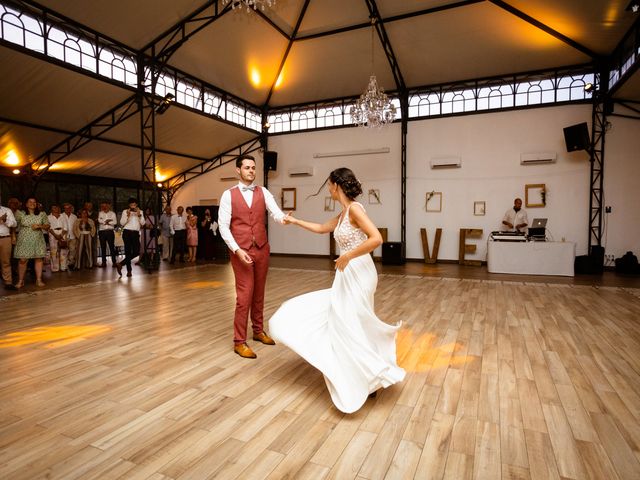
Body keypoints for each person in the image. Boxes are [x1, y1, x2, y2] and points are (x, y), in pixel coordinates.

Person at [270, 167, 406, 413]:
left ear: (336, 185)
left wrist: (348, 257)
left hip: (359, 271)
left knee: (350, 321)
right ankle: (365, 375)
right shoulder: (344, 213)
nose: (328, 189)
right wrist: (294, 220)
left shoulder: (355, 209)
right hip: (347, 272)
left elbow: (376, 238)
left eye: (329, 184)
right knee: (349, 321)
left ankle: (369, 375)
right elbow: (322, 228)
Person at [218, 154, 287, 359]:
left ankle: (258, 331)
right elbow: (223, 226)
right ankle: (239, 342)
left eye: (253, 168)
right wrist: (237, 250)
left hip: (262, 248)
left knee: (259, 293)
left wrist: (285, 219)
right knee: (244, 296)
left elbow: (276, 213)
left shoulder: (263, 192)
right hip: (241, 251)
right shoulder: (228, 195)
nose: (251, 171)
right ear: (238, 170)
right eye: (247, 167)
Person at [13, 196, 50, 288]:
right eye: (30, 202)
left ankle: (39, 280)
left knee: (38, 259)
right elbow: (13, 225)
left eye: (34, 202)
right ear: (26, 204)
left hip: (37, 239)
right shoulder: (20, 213)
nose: (32, 204)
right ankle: (21, 281)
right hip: (24, 240)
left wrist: (40, 226)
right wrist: (13, 236)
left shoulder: (42, 214)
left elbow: (47, 226)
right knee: (22, 260)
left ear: (37, 204)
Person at [116, 198, 144, 277]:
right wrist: (127, 216)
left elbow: (143, 223)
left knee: (136, 251)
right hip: (127, 233)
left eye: (134, 204)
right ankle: (129, 271)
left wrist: (139, 215)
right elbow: (122, 223)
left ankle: (121, 264)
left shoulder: (140, 212)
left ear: (137, 205)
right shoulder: (125, 211)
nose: (133, 206)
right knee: (128, 252)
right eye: (131, 204)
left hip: (135, 233)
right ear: (129, 205)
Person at [0, 201, 17, 290]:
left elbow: (14, 224)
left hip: (5, 238)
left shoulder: (7, 210)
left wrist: (5, 220)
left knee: (6, 262)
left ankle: (8, 282)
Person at [48, 204, 69, 272]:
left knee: (63, 251)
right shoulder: (48, 217)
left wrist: (61, 235)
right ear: (51, 209)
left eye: (57, 207)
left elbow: (66, 227)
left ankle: (63, 267)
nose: (56, 208)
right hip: (52, 235)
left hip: (62, 234)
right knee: (54, 252)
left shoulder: (63, 217)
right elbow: (49, 228)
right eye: (54, 207)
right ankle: (55, 268)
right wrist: (55, 235)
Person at [97, 202, 117, 267]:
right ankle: (103, 262)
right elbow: (99, 220)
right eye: (102, 206)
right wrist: (107, 221)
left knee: (111, 247)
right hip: (102, 232)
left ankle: (114, 262)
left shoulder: (112, 213)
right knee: (103, 248)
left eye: (105, 206)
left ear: (109, 206)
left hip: (110, 231)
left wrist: (107, 222)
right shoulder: (100, 213)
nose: (104, 207)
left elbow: (115, 222)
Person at [61, 203, 78, 270]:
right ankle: (64, 266)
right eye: (66, 208)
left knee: (72, 251)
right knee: (64, 252)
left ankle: (70, 264)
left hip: (73, 236)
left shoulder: (74, 216)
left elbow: (76, 226)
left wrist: (77, 235)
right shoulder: (61, 215)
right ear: (64, 209)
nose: (67, 209)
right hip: (64, 236)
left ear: (71, 209)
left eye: (69, 208)